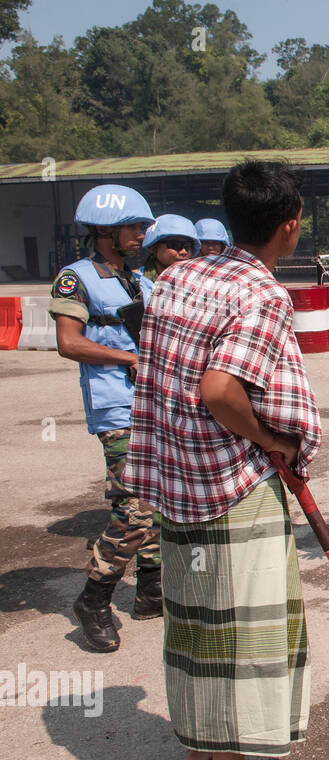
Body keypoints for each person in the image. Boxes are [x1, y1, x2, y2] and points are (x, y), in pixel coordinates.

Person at [124, 161, 322, 760]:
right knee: (245, 633)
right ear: (289, 226)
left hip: (175, 481)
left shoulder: (177, 275)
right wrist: (273, 436)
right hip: (231, 486)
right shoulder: (263, 296)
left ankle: (203, 746)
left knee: (195, 620)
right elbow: (218, 391)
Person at [48, 185, 161, 653]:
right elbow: (69, 342)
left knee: (159, 501)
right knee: (134, 511)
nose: (142, 235)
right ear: (105, 230)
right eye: (135, 227)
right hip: (116, 407)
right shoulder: (76, 278)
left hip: (153, 405)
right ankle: (93, 600)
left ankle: (151, 593)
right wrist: (126, 358)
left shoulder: (142, 281)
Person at [139, 214, 198, 283]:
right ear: (154, 247)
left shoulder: (200, 283)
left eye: (188, 246)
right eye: (175, 245)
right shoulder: (136, 283)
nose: (183, 252)